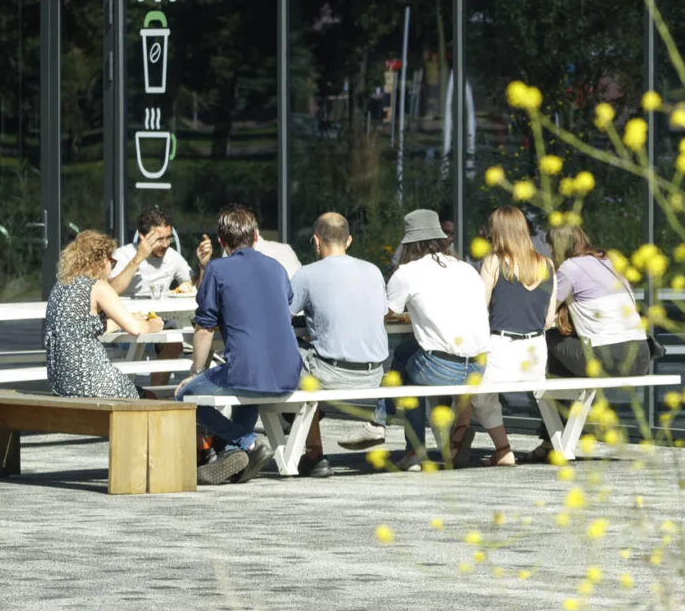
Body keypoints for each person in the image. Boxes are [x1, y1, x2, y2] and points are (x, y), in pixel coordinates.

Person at [177, 204, 302, 485]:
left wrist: (195, 373)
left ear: (221, 241)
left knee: (184, 397)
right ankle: (235, 454)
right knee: (246, 389)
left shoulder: (217, 269)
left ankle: (246, 441)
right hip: (289, 373)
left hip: (246, 371)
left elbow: (205, 328)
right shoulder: (277, 268)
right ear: (256, 236)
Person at [369, 209, 488, 471]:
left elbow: (388, 312)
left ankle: (391, 430)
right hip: (479, 368)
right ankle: (396, 429)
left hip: (441, 368)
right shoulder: (466, 268)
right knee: (409, 352)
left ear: (408, 242)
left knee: (405, 364)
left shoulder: (407, 273)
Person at [290, 211, 389, 477]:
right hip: (374, 376)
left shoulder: (307, 275)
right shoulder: (373, 271)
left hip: (331, 375)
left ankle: (315, 453)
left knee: (289, 353)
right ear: (349, 241)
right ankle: (300, 422)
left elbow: (281, 317)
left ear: (316, 240)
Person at [455, 205, 553, 468]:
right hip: (536, 351)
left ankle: (503, 449)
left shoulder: (494, 261)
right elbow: (549, 320)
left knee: (478, 395)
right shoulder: (548, 265)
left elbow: (479, 308)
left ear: (496, 232)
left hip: (502, 349)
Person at [45, 229, 164, 400]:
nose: (111, 268)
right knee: (150, 398)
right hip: (91, 380)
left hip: (62, 383)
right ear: (101, 260)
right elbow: (136, 329)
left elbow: (83, 327)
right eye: (112, 262)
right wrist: (154, 325)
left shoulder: (61, 286)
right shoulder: (97, 286)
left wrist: (127, 319)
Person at [546, 223, 649, 380]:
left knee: (550, 337)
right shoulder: (609, 262)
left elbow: (545, 315)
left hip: (609, 357)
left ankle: (565, 401)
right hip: (641, 357)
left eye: (552, 247)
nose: (551, 252)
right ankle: (580, 401)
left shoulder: (569, 268)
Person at [109, 206, 193, 298]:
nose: (165, 244)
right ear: (142, 237)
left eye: (168, 238)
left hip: (162, 310)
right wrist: (137, 259)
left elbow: (194, 286)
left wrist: (203, 266)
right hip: (128, 311)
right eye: (159, 239)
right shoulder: (123, 255)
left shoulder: (172, 256)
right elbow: (109, 292)